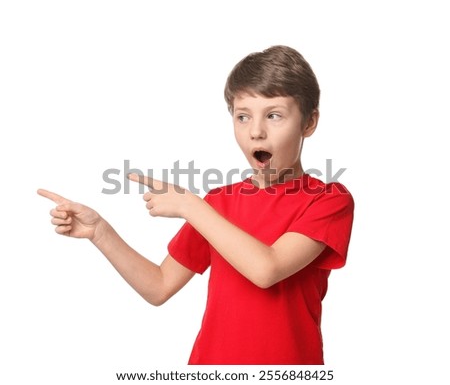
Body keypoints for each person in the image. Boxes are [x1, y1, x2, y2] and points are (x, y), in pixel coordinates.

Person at [38, 45, 354, 365]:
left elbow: (266, 269)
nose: (256, 132)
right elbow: (158, 286)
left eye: (274, 115)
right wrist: (100, 232)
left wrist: (190, 205)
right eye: (242, 116)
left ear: (309, 123)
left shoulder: (327, 200)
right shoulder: (217, 204)